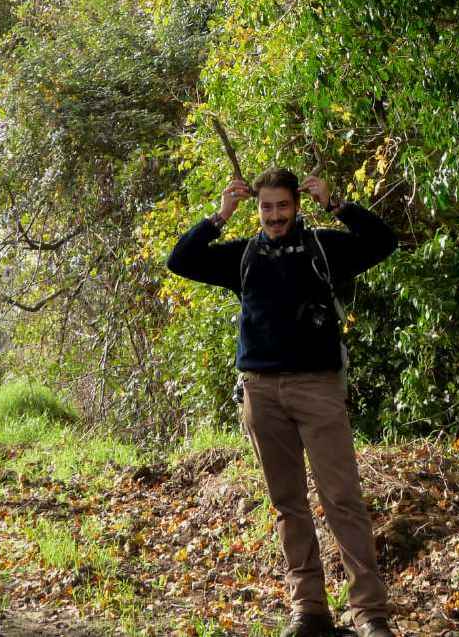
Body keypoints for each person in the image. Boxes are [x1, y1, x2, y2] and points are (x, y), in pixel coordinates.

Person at [166, 167, 399, 637]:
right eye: (266, 208)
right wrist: (218, 217)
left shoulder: (323, 250)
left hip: (319, 387)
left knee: (343, 501)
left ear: (296, 205)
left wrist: (337, 206)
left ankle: (370, 614)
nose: (275, 217)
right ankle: (309, 610)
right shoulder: (244, 255)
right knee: (287, 504)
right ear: (257, 210)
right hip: (261, 390)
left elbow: (381, 242)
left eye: (283, 206)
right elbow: (181, 261)